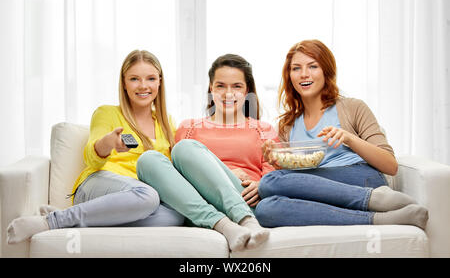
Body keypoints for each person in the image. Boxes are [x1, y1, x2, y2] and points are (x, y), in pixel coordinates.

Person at [7, 49, 186, 244]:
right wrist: (108, 142)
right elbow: (91, 157)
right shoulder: (107, 113)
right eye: (134, 79)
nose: (143, 86)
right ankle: (54, 221)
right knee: (148, 196)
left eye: (150, 78)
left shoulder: (167, 122)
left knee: (175, 216)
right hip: (98, 184)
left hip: (133, 202)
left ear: (160, 81)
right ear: (124, 83)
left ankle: (78, 217)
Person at [255, 39, 429, 229]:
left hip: (359, 177)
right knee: (266, 209)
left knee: (269, 182)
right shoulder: (287, 125)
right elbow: (295, 180)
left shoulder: (353, 107)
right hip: (321, 191)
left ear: (326, 71)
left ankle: (374, 199)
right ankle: (379, 218)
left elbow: (390, 165)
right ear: (289, 76)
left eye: (313, 66)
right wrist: (276, 159)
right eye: (296, 68)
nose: (304, 74)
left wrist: (349, 138)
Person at [136, 54, 273, 251]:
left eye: (237, 86)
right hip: (199, 207)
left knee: (185, 147)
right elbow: (174, 178)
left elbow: (274, 178)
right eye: (220, 86)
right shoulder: (188, 128)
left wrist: (261, 185)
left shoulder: (263, 129)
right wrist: (223, 169)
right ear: (211, 88)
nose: (228, 93)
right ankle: (225, 226)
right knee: (148, 160)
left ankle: (246, 221)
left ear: (247, 90)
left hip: (244, 201)